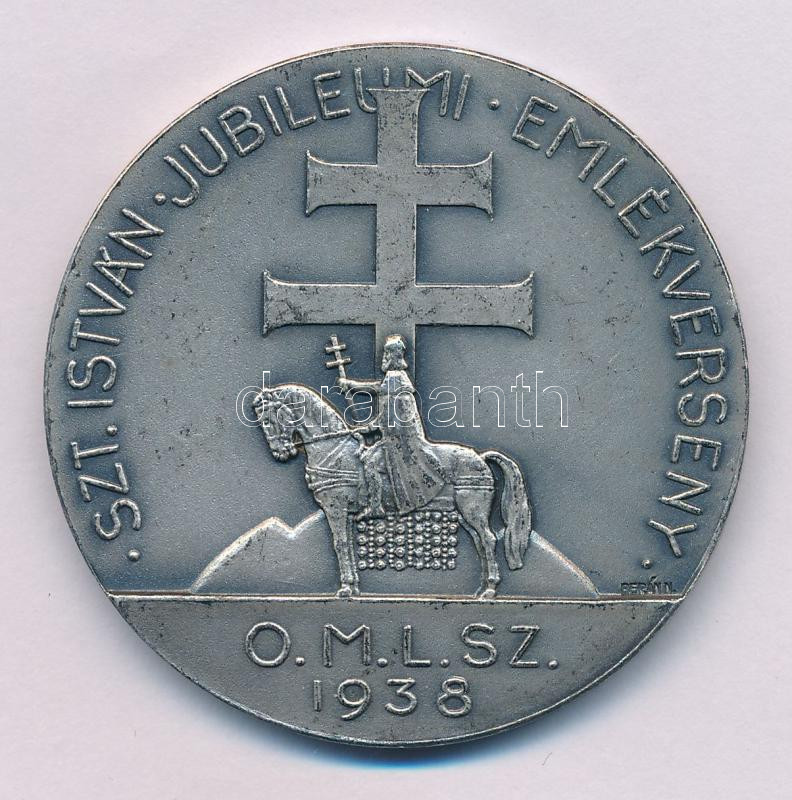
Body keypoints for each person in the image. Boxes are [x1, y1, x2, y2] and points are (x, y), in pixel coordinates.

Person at [338, 335, 443, 518]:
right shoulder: (394, 378)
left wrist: (369, 428)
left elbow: (392, 416)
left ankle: (376, 507)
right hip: (395, 438)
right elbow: (380, 390)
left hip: (400, 441)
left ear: (394, 356)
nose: (384, 357)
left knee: (370, 463)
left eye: (387, 353)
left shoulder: (396, 378)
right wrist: (352, 385)